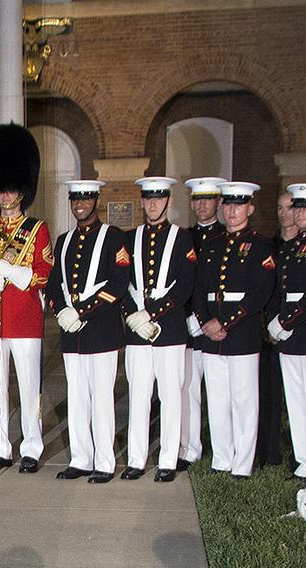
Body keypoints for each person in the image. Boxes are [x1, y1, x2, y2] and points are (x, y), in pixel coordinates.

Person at [0, 123, 52, 474]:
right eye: (1, 190)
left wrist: (12, 272)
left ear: (22, 192)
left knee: (29, 389)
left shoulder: (36, 230)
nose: (5, 197)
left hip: (26, 322)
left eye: (11, 190)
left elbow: (43, 273)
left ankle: (31, 447)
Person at [45, 180, 130, 484]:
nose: (79, 204)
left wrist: (80, 311)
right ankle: (81, 458)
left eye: (85, 198)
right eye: (75, 199)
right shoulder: (64, 240)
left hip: (102, 331)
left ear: (95, 200)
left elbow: (118, 283)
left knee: (102, 399)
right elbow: (54, 283)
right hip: (72, 334)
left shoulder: (114, 238)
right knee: (77, 397)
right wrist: (60, 311)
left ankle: (105, 462)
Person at [193, 181, 274, 479]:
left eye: (238, 205)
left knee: (243, 402)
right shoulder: (213, 245)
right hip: (212, 337)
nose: (232, 210)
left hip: (241, 335)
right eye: (227, 204)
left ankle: (242, 464)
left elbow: (260, 292)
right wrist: (205, 321)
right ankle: (222, 459)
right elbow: (199, 289)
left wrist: (224, 323)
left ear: (250, 209)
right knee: (217, 401)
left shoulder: (259, 245)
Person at [120, 177, 196, 483]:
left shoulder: (183, 239)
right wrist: (132, 315)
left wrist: (151, 313)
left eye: (159, 199)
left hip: (169, 330)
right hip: (137, 332)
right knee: (137, 395)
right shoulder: (129, 238)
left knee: (170, 395)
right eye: (148, 199)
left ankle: (168, 459)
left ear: (169, 202)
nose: (153, 204)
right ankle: (136, 459)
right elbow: (119, 281)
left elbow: (185, 285)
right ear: (141, 202)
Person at [179, 177, 227, 471]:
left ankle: (223, 449)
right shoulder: (184, 236)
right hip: (188, 327)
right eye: (197, 200)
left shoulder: (227, 236)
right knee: (188, 390)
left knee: (221, 394)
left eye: (207, 200)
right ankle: (190, 448)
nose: (201, 205)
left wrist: (206, 318)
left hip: (216, 326)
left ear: (218, 203)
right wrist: (190, 317)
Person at [256, 191, 297, 468]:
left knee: (298, 398)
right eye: (280, 208)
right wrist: (271, 326)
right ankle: (269, 454)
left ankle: (298, 456)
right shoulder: (270, 246)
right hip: (271, 332)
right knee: (269, 395)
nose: (284, 213)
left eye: (289, 208)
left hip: (297, 330)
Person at [271, 183, 306, 481]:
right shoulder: (294, 245)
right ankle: (303, 462)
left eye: (304, 208)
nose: (299, 213)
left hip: (298, 328)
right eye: (297, 207)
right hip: (291, 335)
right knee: (295, 402)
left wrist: (285, 321)